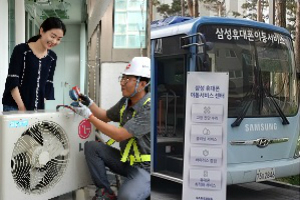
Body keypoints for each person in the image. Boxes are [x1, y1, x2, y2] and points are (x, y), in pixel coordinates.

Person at [72, 57, 151, 200]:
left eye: (127, 79)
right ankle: (105, 192)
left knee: (127, 197)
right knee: (92, 147)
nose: (122, 83)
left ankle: (142, 188)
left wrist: (89, 116)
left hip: (144, 168)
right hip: (126, 161)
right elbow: (105, 116)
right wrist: (88, 103)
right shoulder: (126, 102)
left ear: (142, 84)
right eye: (122, 78)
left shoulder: (149, 107)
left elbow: (119, 135)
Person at [2, 17, 66, 111]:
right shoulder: (21, 50)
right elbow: (13, 80)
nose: (55, 41)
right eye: (52, 36)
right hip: (14, 106)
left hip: (36, 108)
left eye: (59, 39)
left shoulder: (52, 57)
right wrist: (21, 107)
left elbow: (48, 83)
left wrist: (39, 106)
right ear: (42, 31)